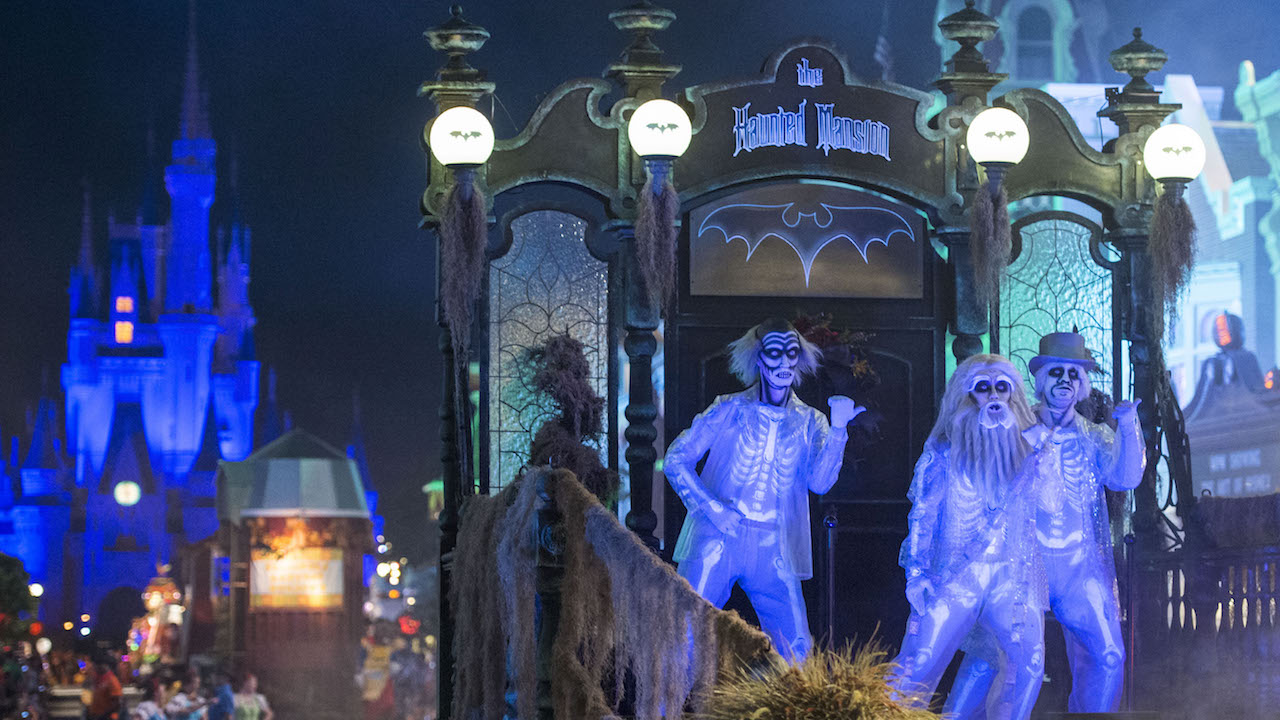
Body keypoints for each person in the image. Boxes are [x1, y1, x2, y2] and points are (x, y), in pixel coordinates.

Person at [944, 332, 1145, 716]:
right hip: (1021, 565)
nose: (1064, 381)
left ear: (1082, 383)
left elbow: (1126, 477)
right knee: (997, 655)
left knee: (1108, 654)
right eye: (1056, 372)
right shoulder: (1012, 428)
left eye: (1073, 373)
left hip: (1079, 567)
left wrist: (1129, 425)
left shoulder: (1093, 437)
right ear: (1040, 379)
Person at [664, 317, 864, 661]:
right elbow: (675, 460)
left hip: (774, 543)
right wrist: (711, 509)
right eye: (775, 352)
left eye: (791, 353)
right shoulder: (728, 408)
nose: (784, 362)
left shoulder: (810, 420)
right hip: (717, 537)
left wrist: (839, 430)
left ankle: (792, 712)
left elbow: (820, 482)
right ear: (759, 358)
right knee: (684, 632)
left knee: (797, 648)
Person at [889, 354, 1046, 720]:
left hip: (1010, 580)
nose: (993, 396)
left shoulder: (1029, 454)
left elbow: (1050, 506)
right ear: (966, 396)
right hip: (953, 577)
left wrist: (1044, 456)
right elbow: (922, 518)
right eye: (982, 387)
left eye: (1001, 387)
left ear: (1013, 396)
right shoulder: (942, 456)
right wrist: (916, 573)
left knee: (1029, 661)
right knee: (917, 663)